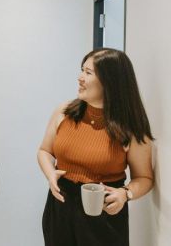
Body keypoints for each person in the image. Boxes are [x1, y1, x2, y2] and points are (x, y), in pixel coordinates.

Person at [37, 48, 154, 246]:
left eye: (88, 73)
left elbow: (144, 178)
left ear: (110, 82)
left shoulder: (132, 127)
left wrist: (125, 194)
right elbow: (45, 151)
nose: (80, 78)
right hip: (60, 206)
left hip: (104, 212)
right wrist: (51, 174)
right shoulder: (64, 112)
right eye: (82, 70)